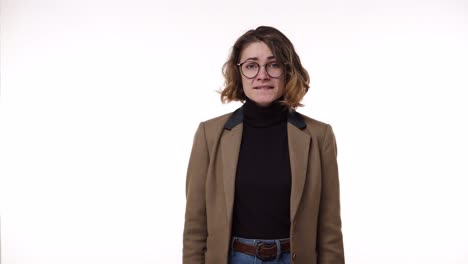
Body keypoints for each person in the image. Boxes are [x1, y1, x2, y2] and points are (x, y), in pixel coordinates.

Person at [183, 26, 345, 264]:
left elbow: (329, 228)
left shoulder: (319, 135)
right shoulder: (210, 134)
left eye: (274, 64)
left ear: (288, 71)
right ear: (239, 73)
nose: (262, 75)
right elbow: (195, 226)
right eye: (251, 65)